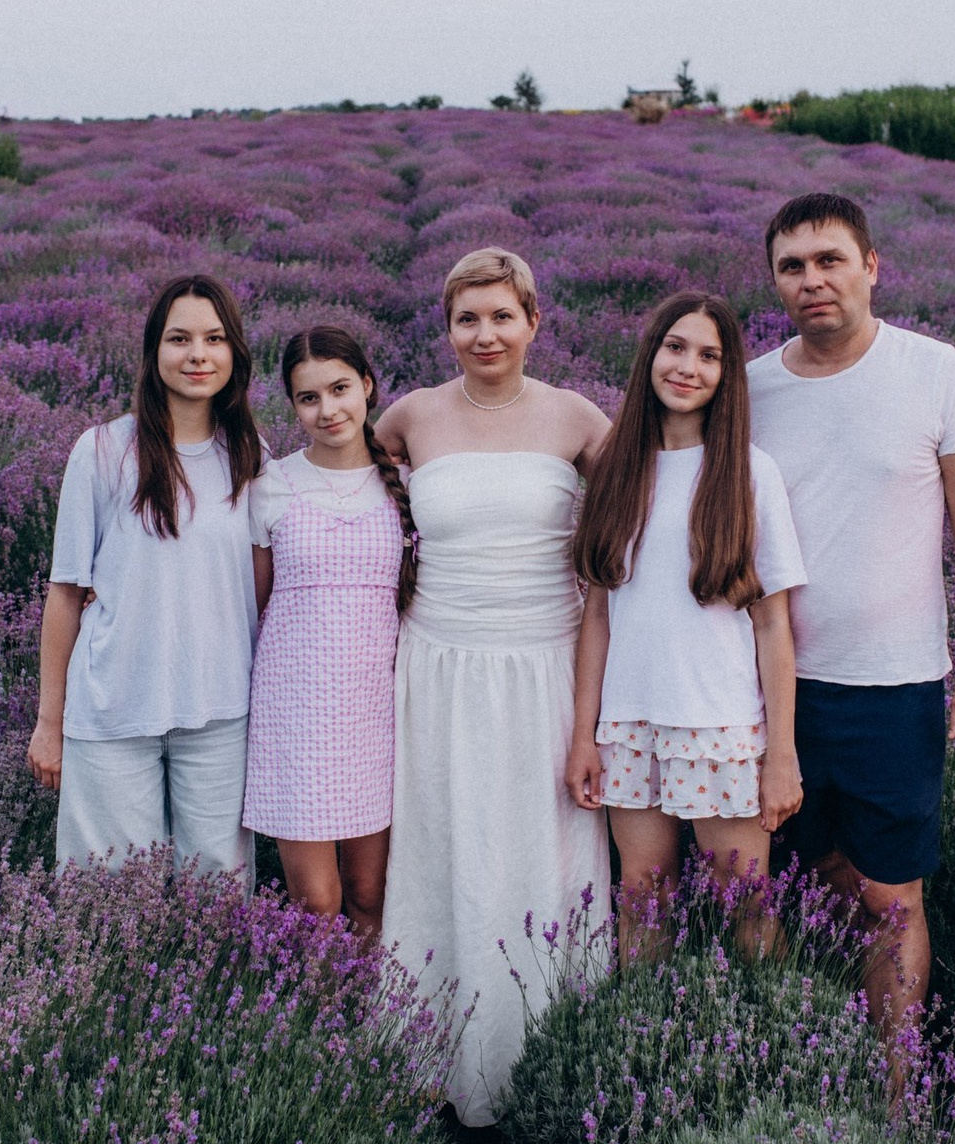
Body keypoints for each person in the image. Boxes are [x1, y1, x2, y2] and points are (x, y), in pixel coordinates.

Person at [747, 193, 955, 1046]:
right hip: (772, 693)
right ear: (776, 281)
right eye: (793, 266)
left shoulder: (934, 371)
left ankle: (894, 1095)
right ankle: (812, 1066)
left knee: (892, 899)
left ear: (870, 266)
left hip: (892, 687)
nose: (812, 280)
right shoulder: (750, 388)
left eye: (830, 260)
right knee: (804, 887)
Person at [376, 247, 612, 1128]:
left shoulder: (577, 418)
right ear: (446, 328)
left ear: (535, 322)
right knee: (440, 851)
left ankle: (545, 1058)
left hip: (545, 669)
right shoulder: (410, 416)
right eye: (466, 319)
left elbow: (643, 507)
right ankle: (435, 1061)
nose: (485, 334)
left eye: (501, 316)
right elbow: (338, 484)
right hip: (436, 667)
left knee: (541, 857)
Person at [567, 292, 805, 965]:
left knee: (745, 898)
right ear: (650, 355)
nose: (688, 367)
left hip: (718, 726)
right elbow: (599, 614)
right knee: (644, 894)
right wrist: (585, 735)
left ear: (727, 376)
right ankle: (641, 1033)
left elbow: (772, 626)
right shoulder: (617, 469)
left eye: (709, 356)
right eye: (676, 348)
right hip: (632, 724)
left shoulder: (748, 474)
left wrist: (780, 754)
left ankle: (779, 1040)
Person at [27, 273, 264, 888]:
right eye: (179, 338)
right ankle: (114, 991)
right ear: (153, 351)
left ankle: (211, 991)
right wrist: (49, 721)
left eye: (214, 339)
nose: (197, 355)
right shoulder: (103, 450)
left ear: (234, 351)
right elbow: (65, 592)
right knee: (105, 895)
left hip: (219, 710)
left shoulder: (250, 453)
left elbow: (265, 586)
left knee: (219, 897)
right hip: (112, 706)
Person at [244, 327, 416, 941]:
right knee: (315, 901)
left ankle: (375, 1029)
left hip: (376, 715)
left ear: (367, 386)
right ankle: (323, 1029)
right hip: (295, 720)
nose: (328, 410)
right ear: (293, 407)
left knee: (372, 893)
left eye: (340, 389)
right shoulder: (270, 487)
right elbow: (252, 606)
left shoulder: (407, 489)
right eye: (309, 398)